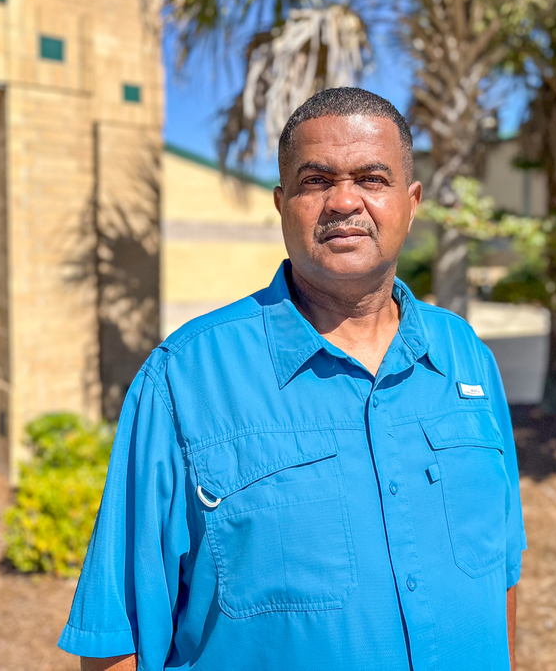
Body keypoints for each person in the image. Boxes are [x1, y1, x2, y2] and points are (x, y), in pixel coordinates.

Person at [59, 87, 527, 671]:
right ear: (282, 203)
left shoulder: (467, 358)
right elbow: (118, 637)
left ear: (412, 202)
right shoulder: (182, 380)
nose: (344, 201)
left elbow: (500, 571)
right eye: (316, 180)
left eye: (372, 178)